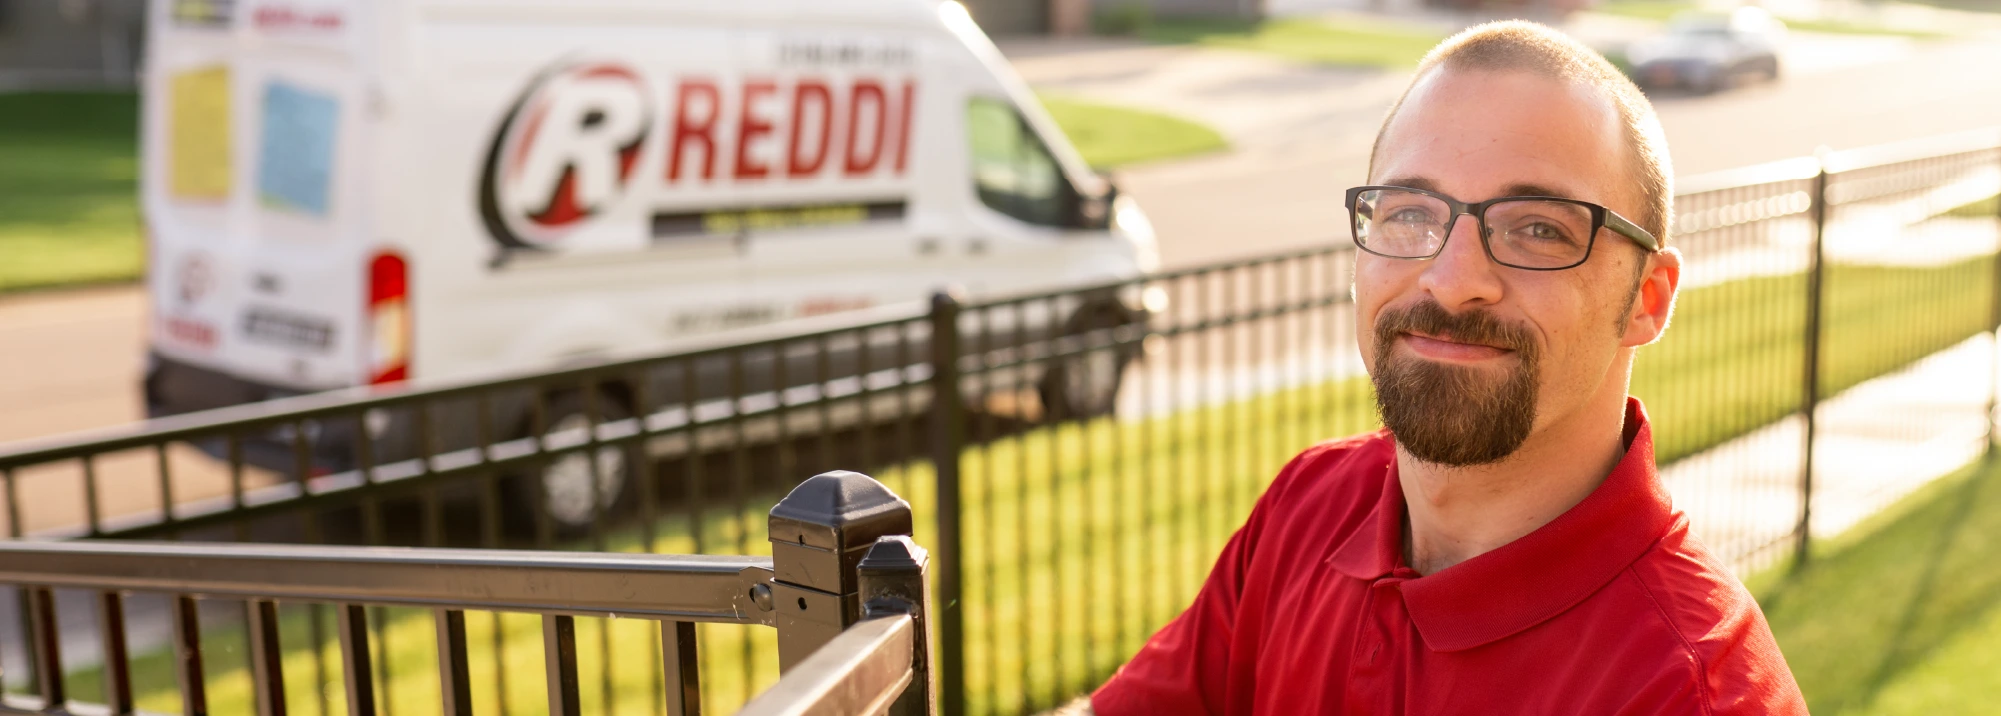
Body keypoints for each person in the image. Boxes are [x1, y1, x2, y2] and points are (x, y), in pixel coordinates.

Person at [1075, 20, 1808, 715]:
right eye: (1409, 211)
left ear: (1645, 299)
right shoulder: (1312, 505)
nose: (1452, 279)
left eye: (1538, 229)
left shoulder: (1686, 691)